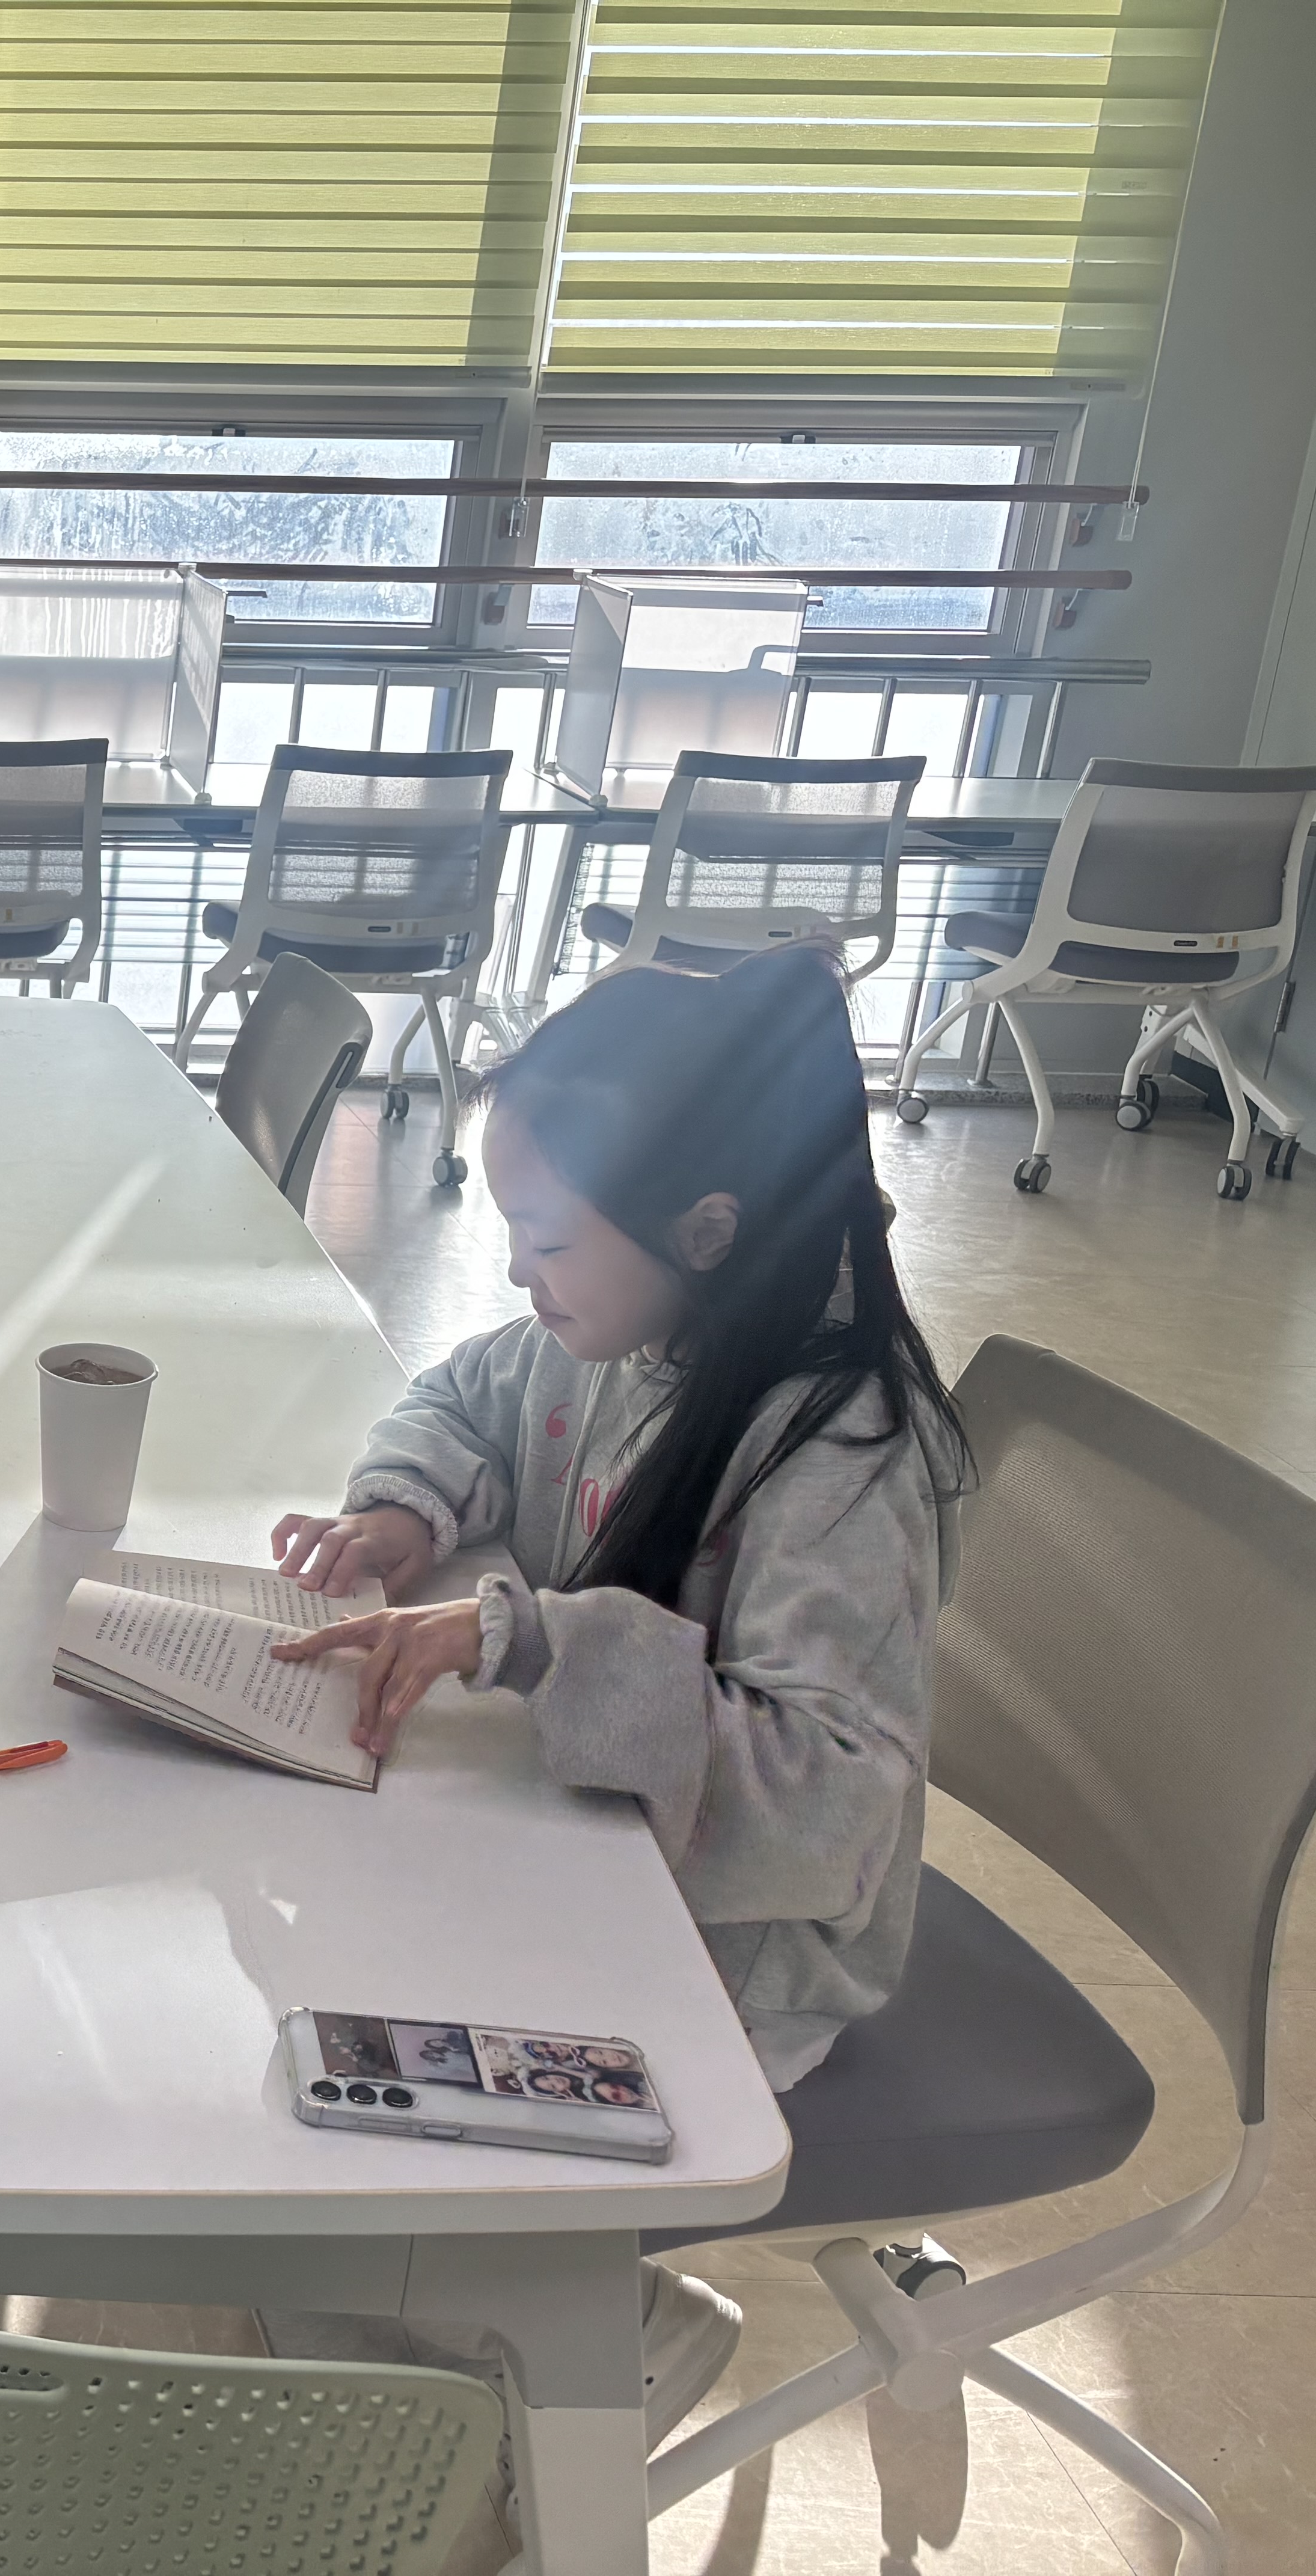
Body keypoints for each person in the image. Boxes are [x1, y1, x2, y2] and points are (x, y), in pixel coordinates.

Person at [257, 942, 968, 2454]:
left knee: (376, 2093)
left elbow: (833, 1806)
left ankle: (596, 2334)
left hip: (743, 1949)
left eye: (547, 1241)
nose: (520, 1276)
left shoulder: (844, 1454)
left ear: (706, 1230)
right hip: (603, 1853)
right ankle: (431, 2338)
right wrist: (404, 1506)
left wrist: (538, 1644)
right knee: (317, 1994)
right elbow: (467, 1392)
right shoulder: (634, 1335)